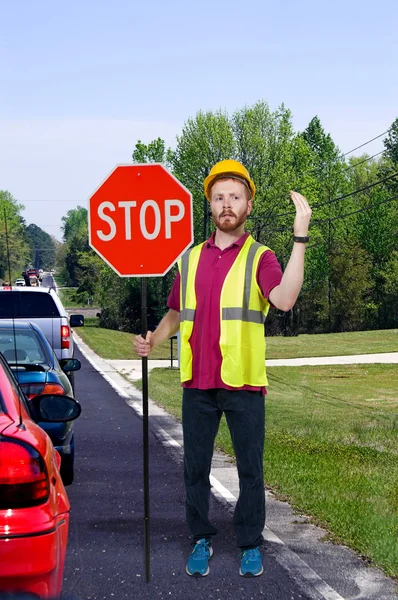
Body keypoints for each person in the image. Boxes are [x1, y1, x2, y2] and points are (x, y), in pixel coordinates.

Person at [134, 159, 312, 578]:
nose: (226, 204)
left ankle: (250, 542)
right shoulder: (191, 259)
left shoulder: (261, 258)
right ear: (209, 206)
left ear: (248, 205)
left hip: (244, 382)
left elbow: (284, 299)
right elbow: (177, 313)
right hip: (197, 383)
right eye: (219, 197)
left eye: (234, 197)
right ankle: (201, 537)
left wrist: (299, 238)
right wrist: (153, 340)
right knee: (195, 468)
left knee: (250, 469)